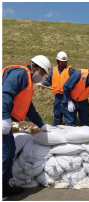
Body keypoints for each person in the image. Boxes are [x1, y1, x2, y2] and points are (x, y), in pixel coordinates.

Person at [2, 55, 53, 197]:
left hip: (5, 118)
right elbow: (5, 93)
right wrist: (4, 117)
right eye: (41, 72)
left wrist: (41, 125)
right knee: (4, 152)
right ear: (33, 66)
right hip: (2, 116)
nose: (41, 76)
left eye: (43, 74)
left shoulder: (27, 82)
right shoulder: (21, 74)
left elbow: (29, 108)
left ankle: (4, 185)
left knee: (10, 148)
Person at [37, 51, 75, 126]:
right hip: (58, 97)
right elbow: (49, 81)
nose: (64, 63)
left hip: (67, 96)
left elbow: (75, 82)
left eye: (65, 62)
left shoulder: (71, 70)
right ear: (58, 61)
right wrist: (42, 84)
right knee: (57, 114)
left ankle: (70, 130)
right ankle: (56, 129)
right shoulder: (53, 70)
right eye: (62, 62)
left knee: (69, 116)